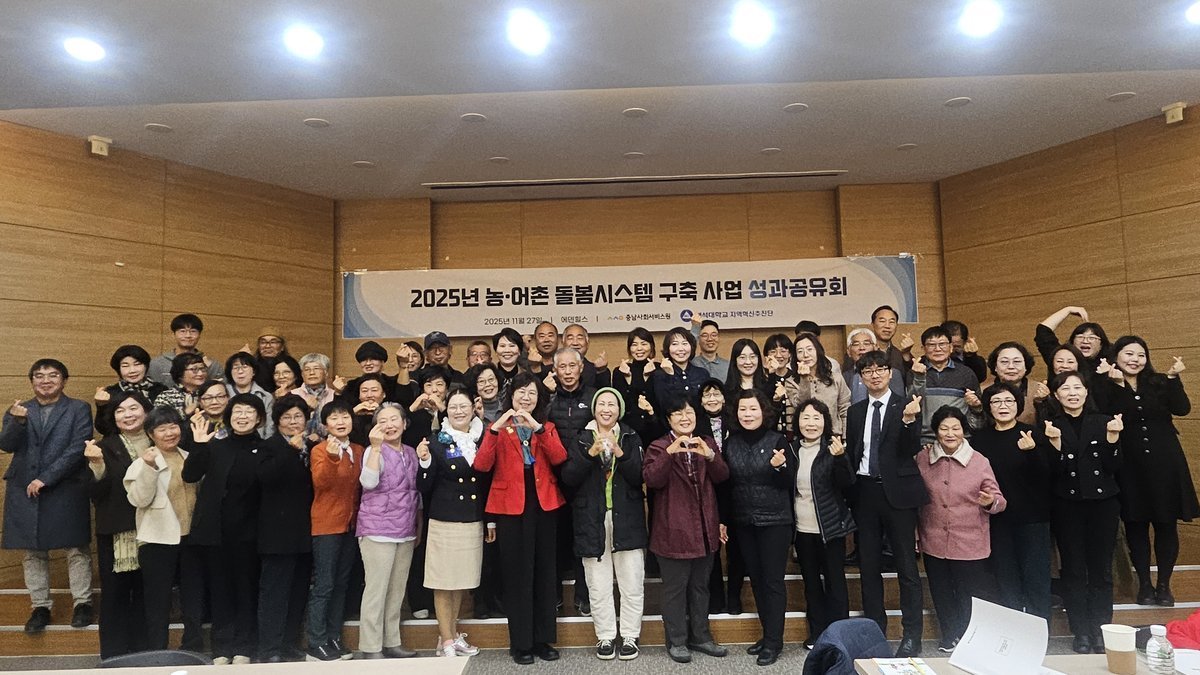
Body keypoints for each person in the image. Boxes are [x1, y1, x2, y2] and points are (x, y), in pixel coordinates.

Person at [474, 371, 569, 665]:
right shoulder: (497, 428)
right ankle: (521, 643)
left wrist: (538, 429)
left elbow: (559, 458)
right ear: (511, 396)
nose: (526, 398)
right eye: (521, 392)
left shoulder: (546, 426)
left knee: (544, 573)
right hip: (510, 508)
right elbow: (482, 465)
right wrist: (494, 429)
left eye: (532, 393)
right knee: (516, 576)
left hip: (544, 505)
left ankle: (542, 640)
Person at [1096, 336, 1196, 607]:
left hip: (1166, 462)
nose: (1135, 360)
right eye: (1128, 354)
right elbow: (1103, 415)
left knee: (1166, 523)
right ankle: (1144, 584)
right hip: (1129, 465)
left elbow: (1182, 408)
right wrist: (1114, 384)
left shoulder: (1159, 381)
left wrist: (1174, 378)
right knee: (1135, 524)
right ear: (1116, 356)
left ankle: (1164, 585)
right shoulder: (1105, 385)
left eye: (1140, 355)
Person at [1, 358, 94, 634]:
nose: (46, 381)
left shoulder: (78, 408)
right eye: (39, 376)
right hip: (24, 487)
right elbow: (6, 444)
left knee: (76, 548)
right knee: (33, 550)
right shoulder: (19, 409)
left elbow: (78, 448)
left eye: (53, 375)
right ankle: (40, 606)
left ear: (64, 380)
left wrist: (46, 478)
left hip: (66, 485)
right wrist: (17, 422)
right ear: (32, 381)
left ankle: (83, 603)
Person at [845, 350, 927, 657]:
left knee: (906, 567)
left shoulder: (907, 405)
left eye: (880, 369)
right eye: (868, 371)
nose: (875, 375)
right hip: (865, 493)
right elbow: (854, 453)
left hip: (898, 495)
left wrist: (908, 421)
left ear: (890, 373)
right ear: (861, 377)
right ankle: (874, 633)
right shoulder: (855, 412)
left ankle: (912, 635)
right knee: (868, 568)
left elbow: (911, 448)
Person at [642, 395, 730, 664]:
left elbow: (723, 476)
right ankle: (677, 641)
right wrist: (670, 453)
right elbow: (652, 479)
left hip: (704, 530)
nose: (684, 418)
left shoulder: (707, 442)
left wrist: (710, 455)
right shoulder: (659, 446)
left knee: (701, 587)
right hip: (673, 531)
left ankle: (701, 637)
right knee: (675, 590)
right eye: (678, 414)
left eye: (689, 413)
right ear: (669, 419)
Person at [183, 393, 269, 664]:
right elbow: (190, 475)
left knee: (246, 590)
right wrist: (198, 445)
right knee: (219, 591)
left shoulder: (266, 449)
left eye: (249, 412)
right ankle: (221, 648)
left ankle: (245, 647)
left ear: (259, 418)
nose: (242, 417)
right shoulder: (215, 446)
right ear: (229, 417)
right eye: (237, 411)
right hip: (215, 533)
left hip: (250, 534)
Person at [562, 388, 647, 661]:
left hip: (627, 518)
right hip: (591, 519)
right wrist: (590, 453)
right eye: (601, 404)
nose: (606, 409)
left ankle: (630, 636)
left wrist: (621, 453)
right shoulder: (581, 438)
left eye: (612, 404)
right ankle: (606, 636)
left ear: (619, 410)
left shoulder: (631, 436)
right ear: (594, 409)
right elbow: (569, 478)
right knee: (598, 585)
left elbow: (640, 476)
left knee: (632, 582)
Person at [1044, 371, 1123, 654]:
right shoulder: (1050, 425)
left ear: (1086, 392)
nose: (1072, 393)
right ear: (1056, 395)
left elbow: (1114, 467)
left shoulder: (1104, 421)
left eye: (1077, 387)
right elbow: (1050, 472)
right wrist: (1054, 447)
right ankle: (1081, 631)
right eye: (1065, 389)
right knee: (1073, 569)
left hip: (1103, 504)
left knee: (1101, 570)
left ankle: (1101, 630)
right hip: (1067, 505)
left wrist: (1113, 440)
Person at [916, 406, 1006, 653]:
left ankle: (974, 639)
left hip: (970, 541)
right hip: (933, 538)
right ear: (935, 432)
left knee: (972, 594)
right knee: (941, 592)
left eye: (955, 428)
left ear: (963, 431)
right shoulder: (922, 458)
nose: (950, 433)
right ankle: (950, 635)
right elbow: (915, 498)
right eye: (944, 428)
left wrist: (990, 502)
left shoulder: (979, 461)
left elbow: (1000, 500)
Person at [722, 389, 794, 666]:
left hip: (775, 521)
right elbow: (727, 485)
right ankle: (768, 635)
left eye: (753, 409)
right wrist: (724, 520)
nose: (747, 414)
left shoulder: (777, 440)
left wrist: (779, 467)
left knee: (773, 582)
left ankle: (775, 642)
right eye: (743, 409)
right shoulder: (731, 443)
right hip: (744, 521)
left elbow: (788, 483)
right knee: (757, 580)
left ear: (763, 411)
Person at [123, 407, 204, 652]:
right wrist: (149, 468)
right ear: (151, 434)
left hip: (191, 539)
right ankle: (157, 650)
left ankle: (193, 646)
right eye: (162, 429)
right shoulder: (141, 462)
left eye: (173, 426)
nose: (169, 433)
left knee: (193, 596)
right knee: (158, 601)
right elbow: (139, 500)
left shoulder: (189, 456)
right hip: (157, 540)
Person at [415, 387, 486, 658]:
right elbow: (424, 486)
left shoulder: (481, 437)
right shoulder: (437, 441)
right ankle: (445, 640)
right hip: (445, 519)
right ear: (446, 410)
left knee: (460, 581)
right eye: (453, 406)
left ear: (473, 408)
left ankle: (453, 635)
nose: (458, 411)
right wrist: (424, 462)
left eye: (463, 406)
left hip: (471, 518)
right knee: (443, 582)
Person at [974, 382, 1053, 619]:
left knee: (1036, 579)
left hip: (1033, 518)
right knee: (1005, 579)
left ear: (1018, 405)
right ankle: (1013, 633)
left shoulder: (1032, 433)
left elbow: (1048, 475)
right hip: (997, 520)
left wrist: (1032, 451)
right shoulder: (979, 440)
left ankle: (1039, 631)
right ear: (988, 407)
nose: (1003, 406)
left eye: (1009, 401)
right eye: (996, 401)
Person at [84, 391, 152, 658]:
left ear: (146, 411)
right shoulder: (102, 447)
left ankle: (146, 653)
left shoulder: (161, 440)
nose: (128, 415)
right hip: (117, 530)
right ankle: (113, 656)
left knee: (148, 594)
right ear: (113, 418)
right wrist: (97, 465)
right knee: (115, 596)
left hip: (155, 530)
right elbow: (94, 493)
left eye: (133, 408)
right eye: (120, 411)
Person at [356, 402, 421, 659]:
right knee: (376, 589)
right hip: (377, 530)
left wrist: (418, 525)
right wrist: (374, 448)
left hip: (405, 529)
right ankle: (371, 646)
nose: (389, 425)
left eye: (394, 419)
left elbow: (415, 493)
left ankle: (392, 641)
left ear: (404, 423)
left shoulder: (411, 452)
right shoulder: (373, 451)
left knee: (396, 590)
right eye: (382, 421)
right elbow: (368, 482)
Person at [791, 398, 855, 648]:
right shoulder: (791, 449)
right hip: (801, 528)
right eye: (805, 417)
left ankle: (839, 636)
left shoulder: (833, 448)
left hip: (830, 528)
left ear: (825, 422)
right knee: (811, 583)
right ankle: (817, 633)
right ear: (798, 421)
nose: (811, 423)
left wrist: (841, 458)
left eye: (816, 418)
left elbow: (847, 483)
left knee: (835, 582)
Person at [255, 397, 314, 663]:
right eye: (287, 417)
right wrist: (290, 450)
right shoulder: (268, 446)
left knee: (298, 592)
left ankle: (290, 643)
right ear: (277, 421)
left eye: (298, 416)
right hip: (277, 534)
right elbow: (265, 478)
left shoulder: (313, 446)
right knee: (274, 593)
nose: (293, 422)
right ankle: (269, 648)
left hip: (305, 531)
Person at [305, 398, 360, 662]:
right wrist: (332, 456)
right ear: (325, 425)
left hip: (351, 525)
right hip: (326, 525)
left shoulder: (359, 449)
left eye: (345, 416)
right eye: (334, 418)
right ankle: (316, 642)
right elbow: (321, 482)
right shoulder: (319, 450)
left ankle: (334, 636)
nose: (341, 421)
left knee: (341, 584)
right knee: (324, 585)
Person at [546, 348, 596, 615]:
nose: (567, 372)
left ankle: (583, 596)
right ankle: (553, 596)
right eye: (562, 367)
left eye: (572, 366)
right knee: (554, 539)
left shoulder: (593, 397)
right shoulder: (548, 399)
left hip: (585, 479)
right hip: (553, 481)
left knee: (583, 538)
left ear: (581, 367)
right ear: (555, 370)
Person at [907, 325, 983, 442]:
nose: (937, 349)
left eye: (942, 344)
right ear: (923, 349)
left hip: (959, 440)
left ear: (951, 347)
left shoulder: (966, 373)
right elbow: (911, 405)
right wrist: (919, 378)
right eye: (931, 345)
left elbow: (978, 411)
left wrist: (975, 405)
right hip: (925, 440)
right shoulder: (914, 372)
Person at [784, 332, 852, 436]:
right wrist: (804, 380)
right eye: (800, 351)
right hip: (806, 436)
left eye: (810, 349)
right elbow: (801, 406)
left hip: (834, 436)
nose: (805, 355)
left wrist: (845, 437)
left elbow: (845, 409)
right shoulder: (791, 382)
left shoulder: (836, 378)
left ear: (818, 351)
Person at [94, 344, 166, 436]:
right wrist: (101, 406)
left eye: (137, 364)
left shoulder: (160, 389)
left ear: (146, 366)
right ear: (118, 370)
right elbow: (103, 429)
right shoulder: (111, 392)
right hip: (122, 442)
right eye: (125, 366)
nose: (132, 370)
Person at [612, 327, 663, 446]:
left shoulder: (659, 369)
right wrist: (628, 379)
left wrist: (648, 377)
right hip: (629, 431)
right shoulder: (620, 371)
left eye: (644, 344)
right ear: (629, 348)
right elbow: (622, 406)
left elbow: (661, 401)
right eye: (634, 345)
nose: (639, 348)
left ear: (651, 347)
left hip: (655, 428)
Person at [1035, 306, 1112, 378]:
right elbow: (1043, 331)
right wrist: (1068, 309)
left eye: (1091, 338)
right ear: (1072, 342)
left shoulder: (1110, 362)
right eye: (1080, 337)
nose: (1085, 341)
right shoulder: (1062, 360)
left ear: (1101, 344)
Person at [148, 313, 223, 386]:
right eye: (182, 331)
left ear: (199, 335)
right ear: (174, 334)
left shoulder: (212, 365)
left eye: (193, 331)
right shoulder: (157, 364)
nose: (188, 335)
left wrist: (208, 369)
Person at [649, 327, 708, 417]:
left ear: (691, 347)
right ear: (668, 348)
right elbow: (664, 405)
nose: (680, 349)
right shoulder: (659, 375)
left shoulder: (702, 374)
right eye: (675, 344)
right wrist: (670, 376)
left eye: (685, 343)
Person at [986, 342, 1045, 426]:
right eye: (1004, 362)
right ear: (995, 366)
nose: (1011, 367)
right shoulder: (983, 390)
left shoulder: (1039, 390)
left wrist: (1041, 403)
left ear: (1026, 366)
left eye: (1017, 361)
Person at [225, 353, 275, 438]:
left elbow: (269, 427)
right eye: (236, 368)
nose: (240, 371)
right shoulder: (222, 393)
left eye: (244, 367)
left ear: (254, 371)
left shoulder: (266, 396)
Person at [341, 341, 399, 408]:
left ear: (382, 362)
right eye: (364, 360)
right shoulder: (352, 385)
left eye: (373, 359)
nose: (368, 363)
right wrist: (338, 392)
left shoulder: (393, 383)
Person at [153, 352, 209, 417]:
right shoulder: (166, 396)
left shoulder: (210, 393)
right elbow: (160, 420)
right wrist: (184, 412)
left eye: (202, 368)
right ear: (180, 372)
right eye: (194, 369)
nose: (200, 373)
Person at [870, 305, 913, 387]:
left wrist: (907, 355)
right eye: (882, 321)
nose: (887, 326)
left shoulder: (900, 355)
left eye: (892, 322)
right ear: (872, 324)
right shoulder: (862, 352)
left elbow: (911, 383)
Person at [562, 323, 611, 389]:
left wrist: (601, 371)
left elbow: (605, 393)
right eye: (570, 338)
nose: (575, 343)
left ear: (587, 344)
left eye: (580, 338)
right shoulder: (552, 370)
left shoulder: (597, 370)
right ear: (563, 343)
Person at [842, 328, 882, 404]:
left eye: (866, 343)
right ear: (848, 352)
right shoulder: (844, 376)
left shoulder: (888, 373)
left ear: (875, 348)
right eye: (856, 344)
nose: (862, 348)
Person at [492, 327, 527, 403]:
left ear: (519, 351)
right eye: (502, 346)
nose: (507, 350)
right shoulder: (489, 375)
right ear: (496, 351)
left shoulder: (527, 376)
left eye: (512, 346)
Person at [252, 326, 290, 392]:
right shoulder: (252, 366)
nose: (267, 346)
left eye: (273, 342)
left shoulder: (290, 366)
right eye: (263, 342)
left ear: (282, 347)